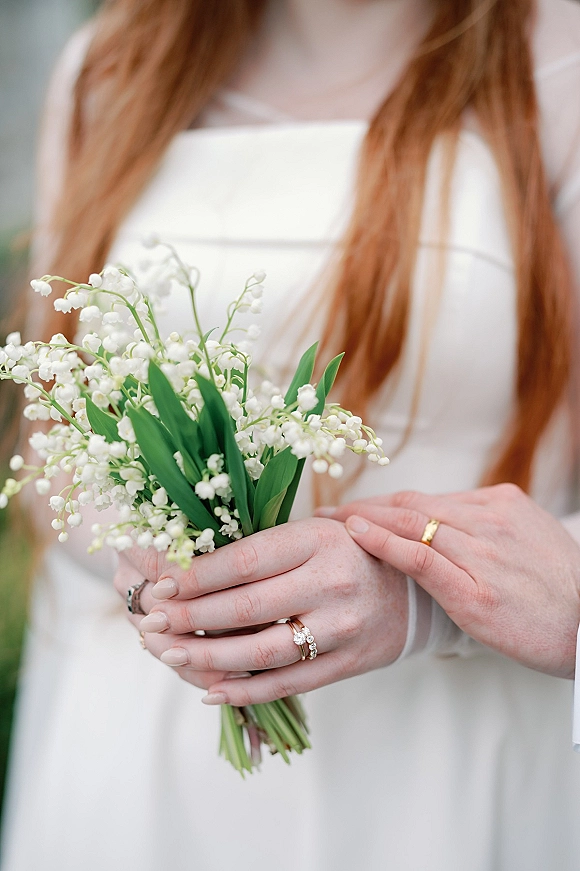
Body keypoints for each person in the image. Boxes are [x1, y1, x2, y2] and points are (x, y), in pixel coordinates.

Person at [3, 1, 580, 869]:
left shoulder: (558, 61)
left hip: (446, 761)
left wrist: (421, 606)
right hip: (138, 755)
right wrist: (153, 570)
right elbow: (50, 446)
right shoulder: (111, 67)